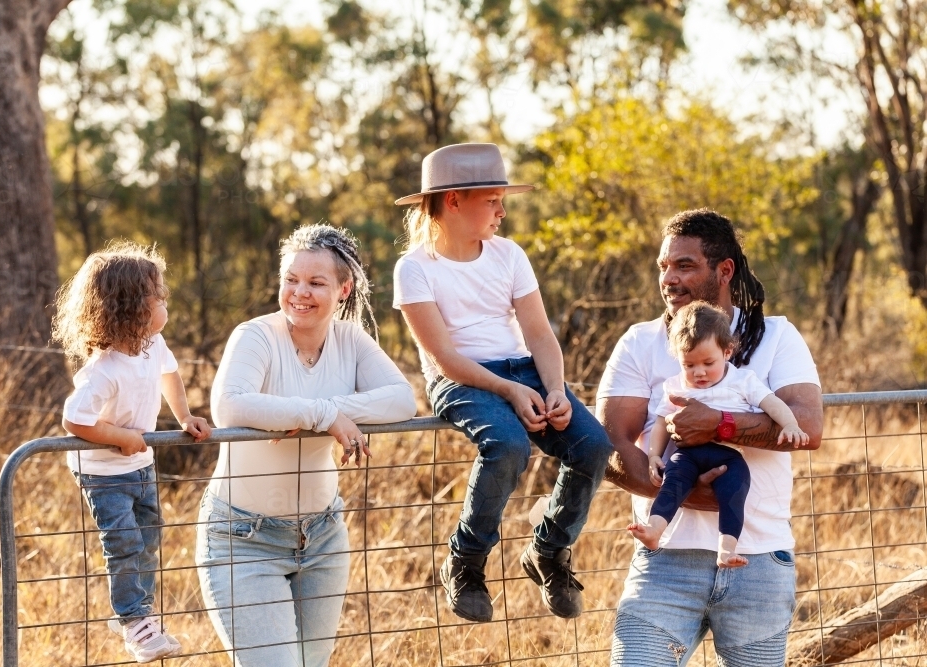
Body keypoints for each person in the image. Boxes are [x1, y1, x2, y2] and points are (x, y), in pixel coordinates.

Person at [393, 142, 614, 622]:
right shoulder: (414, 269)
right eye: (492, 199)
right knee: (509, 446)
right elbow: (446, 357)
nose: (502, 210)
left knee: (593, 445)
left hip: (526, 368)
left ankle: (549, 550)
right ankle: (466, 561)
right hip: (462, 379)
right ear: (453, 201)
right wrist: (511, 391)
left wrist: (554, 388)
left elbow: (538, 332)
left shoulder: (509, 254)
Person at [596, 209, 823, 666]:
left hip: (757, 558)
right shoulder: (639, 342)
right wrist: (683, 491)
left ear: (724, 271)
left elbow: (808, 427)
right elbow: (609, 446)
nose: (669, 279)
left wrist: (719, 424)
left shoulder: (775, 337)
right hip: (665, 560)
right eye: (664, 266)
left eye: (684, 265)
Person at [196, 224, 417, 667]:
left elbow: (403, 399)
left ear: (343, 288)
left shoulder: (351, 340)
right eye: (291, 279)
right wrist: (321, 417)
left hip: (323, 538)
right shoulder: (256, 335)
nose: (300, 292)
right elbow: (229, 407)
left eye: (316, 282)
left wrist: (320, 407)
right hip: (244, 539)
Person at [54, 242, 212, 663]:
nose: (165, 302)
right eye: (157, 296)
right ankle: (135, 621)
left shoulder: (152, 345)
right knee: (123, 542)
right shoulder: (103, 369)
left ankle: (132, 611)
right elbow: (75, 420)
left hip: (142, 465)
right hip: (104, 471)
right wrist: (118, 436)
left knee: (148, 538)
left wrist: (184, 416)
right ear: (130, 308)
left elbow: (170, 374)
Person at [626, 300, 809, 568]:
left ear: (727, 351)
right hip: (687, 455)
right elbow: (662, 421)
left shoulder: (742, 381)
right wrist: (654, 455)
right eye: (689, 365)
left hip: (730, 456)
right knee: (672, 481)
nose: (698, 372)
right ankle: (654, 530)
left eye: (707, 363)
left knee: (735, 489)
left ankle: (727, 549)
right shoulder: (675, 386)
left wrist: (790, 425)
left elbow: (772, 404)